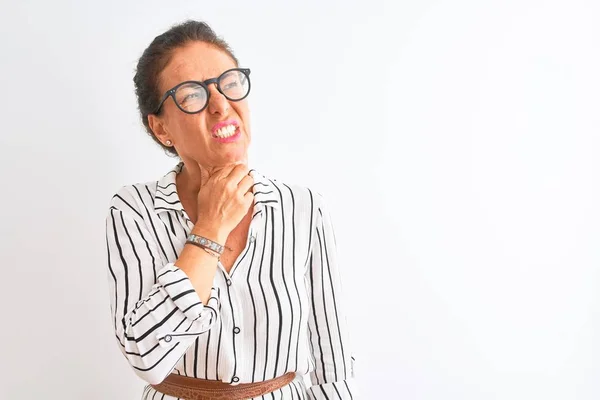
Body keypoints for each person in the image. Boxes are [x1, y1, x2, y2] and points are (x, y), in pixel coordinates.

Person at [105, 20, 357, 400]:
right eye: (192, 95)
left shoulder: (304, 208)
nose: (222, 105)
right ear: (161, 129)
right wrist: (209, 229)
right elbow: (146, 355)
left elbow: (330, 364)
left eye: (230, 83)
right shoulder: (135, 211)